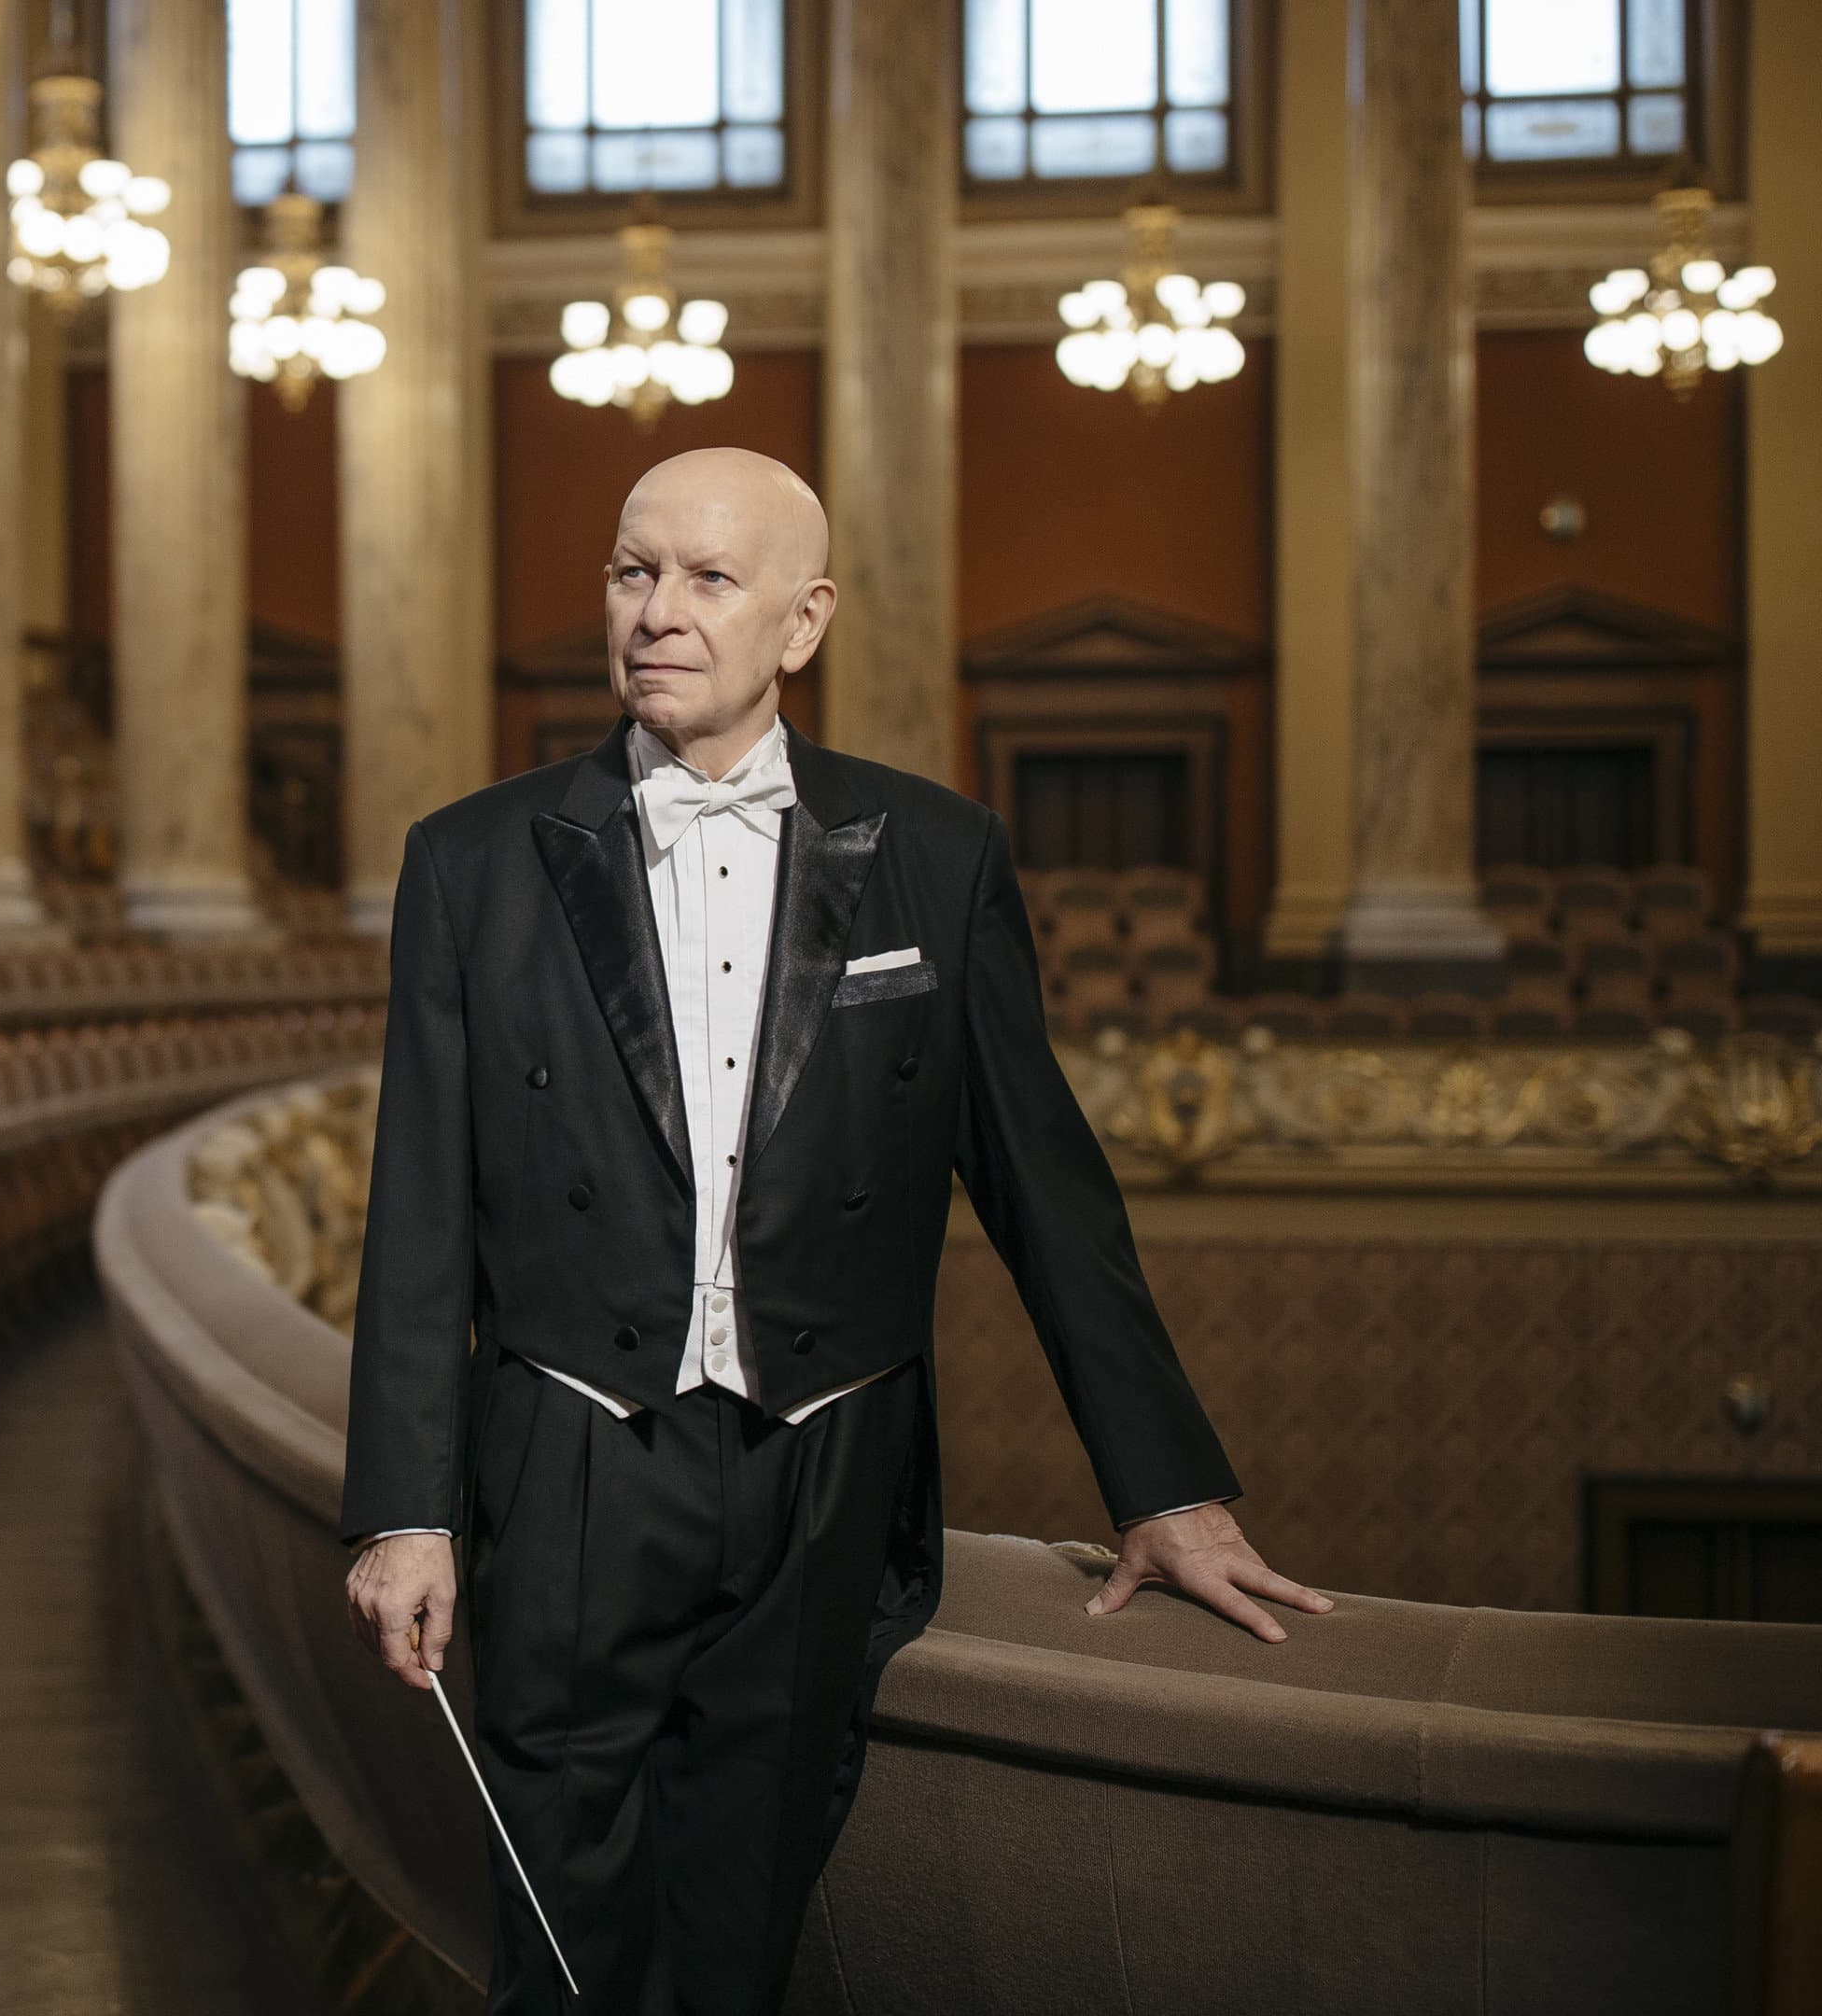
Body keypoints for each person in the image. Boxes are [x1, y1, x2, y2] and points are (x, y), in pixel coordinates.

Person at [340, 447, 1324, 2014]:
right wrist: (404, 1508)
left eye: (707, 579)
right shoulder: (472, 860)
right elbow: (419, 1211)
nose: (656, 611)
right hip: (572, 1459)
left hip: (824, 1465)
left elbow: (1046, 1190)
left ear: (803, 624)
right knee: (561, 1943)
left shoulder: (938, 854)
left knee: (743, 1927)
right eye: (630, 571)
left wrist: (1168, 1486)